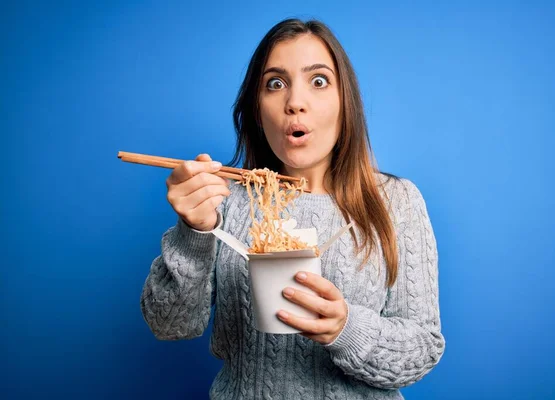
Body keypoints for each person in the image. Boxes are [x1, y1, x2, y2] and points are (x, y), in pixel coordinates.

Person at [140, 18, 445, 399]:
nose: (294, 102)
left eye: (318, 81)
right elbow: (170, 324)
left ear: (344, 102)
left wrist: (345, 328)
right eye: (275, 83)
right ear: (257, 108)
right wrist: (194, 232)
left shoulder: (396, 201)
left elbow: (423, 348)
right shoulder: (228, 198)